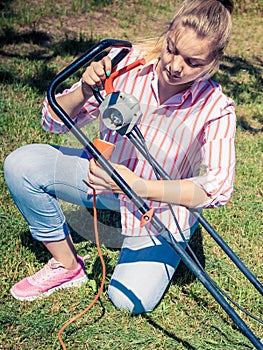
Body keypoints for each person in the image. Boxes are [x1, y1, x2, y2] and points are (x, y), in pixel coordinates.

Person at [4, 0, 236, 314]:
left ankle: (175, 237)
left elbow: (217, 188)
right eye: (171, 49)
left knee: (129, 300)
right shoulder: (125, 61)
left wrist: (140, 186)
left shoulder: (217, 108)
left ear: (214, 60)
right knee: (22, 165)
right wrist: (85, 89)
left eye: (193, 62)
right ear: (167, 35)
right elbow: (52, 121)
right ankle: (66, 265)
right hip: (102, 182)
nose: (175, 66)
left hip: (158, 208)